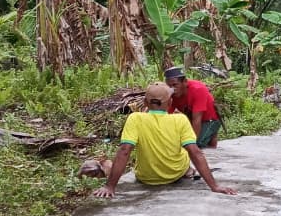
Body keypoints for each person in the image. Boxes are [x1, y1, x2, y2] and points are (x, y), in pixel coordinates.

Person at [89, 82, 237, 198]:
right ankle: (189, 171)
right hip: (175, 174)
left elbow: (124, 151)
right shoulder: (180, 120)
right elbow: (195, 153)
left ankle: (187, 170)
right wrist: (214, 186)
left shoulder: (135, 118)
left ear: (146, 103)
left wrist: (110, 186)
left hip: (146, 178)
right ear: (170, 103)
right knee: (185, 155)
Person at [164, 66, 222, 148]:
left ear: (185, 82)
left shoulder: (198, 89)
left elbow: (197, 119)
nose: (172, 89)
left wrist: (192, 144)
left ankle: (211, 135)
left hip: (209, 119)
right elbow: (164, 115)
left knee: (196, 145)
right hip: (191, 119)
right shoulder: (170, 92)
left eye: (175, 85)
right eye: (169, 86)